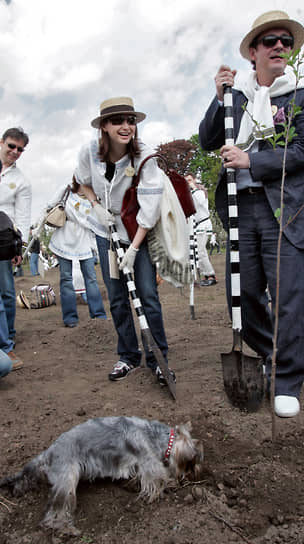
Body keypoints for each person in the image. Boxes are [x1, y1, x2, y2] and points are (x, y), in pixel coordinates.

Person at [199, 10, 304, 417]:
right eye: (270, 40)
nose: (279, 47)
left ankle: (287, 380)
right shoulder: (236, 100)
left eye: (286, 42)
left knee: (289, 297)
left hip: (285, 208)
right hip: (243, 209)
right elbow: (207, 140)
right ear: (252, 52)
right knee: (242, 293)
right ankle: (271, 355)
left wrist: (252, 162)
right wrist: (219, 98)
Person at [74, 96, 175, 385]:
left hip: (137, 229)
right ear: (104, 126)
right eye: (117, 121)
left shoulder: (144, 157)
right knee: (118, 298)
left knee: (147, 295)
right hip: (105, 231)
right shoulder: (89, 151)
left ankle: (158, 359)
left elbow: (150, 206)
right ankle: (128, 356)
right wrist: (95, 205)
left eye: (130, 121)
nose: (126, 126)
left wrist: (133, 248)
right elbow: (81, 180)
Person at [37, 178, 107, 328]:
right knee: (66, 278)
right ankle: (70, 318)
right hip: (64, 238)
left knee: (91, 278)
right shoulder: (66, 189)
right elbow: (49, 207)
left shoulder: (94, 196)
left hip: (84, 240)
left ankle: (98, 314)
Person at [0, 127, 31, 369]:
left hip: (4, 241)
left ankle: (7, 339)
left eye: (20, 149)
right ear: (2, 143)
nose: (15, 152)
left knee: (7, 293)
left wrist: (18, 249)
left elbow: (22, 217)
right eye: (12, 146)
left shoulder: (21, 182)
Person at [185, 173, 217, 286]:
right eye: (186, 181)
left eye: (190, 180)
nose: (188, 182)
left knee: (201, 250)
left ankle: (211, 275)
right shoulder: (191, 194)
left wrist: (193, 187)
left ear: (194, 180)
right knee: (197, 251)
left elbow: (200, 201)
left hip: (203, 224)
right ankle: (206, 275)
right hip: (196, 225)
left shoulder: (200, 192)